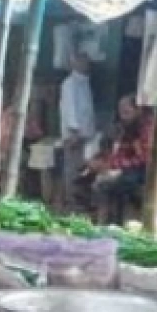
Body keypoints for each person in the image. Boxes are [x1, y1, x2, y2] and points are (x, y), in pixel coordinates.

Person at [92, 96, 154, 225]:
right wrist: (106, 163)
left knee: (109, 184)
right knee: (96, 180)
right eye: (121, 113)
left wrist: (114, 165)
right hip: (128, 169)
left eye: (127, 113)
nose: (123, 117)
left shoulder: (146, 128)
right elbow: (119, 152)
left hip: (145, 170)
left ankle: (113, 222)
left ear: (138, 111)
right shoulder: (124, 127)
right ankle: (106, 221)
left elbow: (144, 158)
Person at [59, 52, 98, 213]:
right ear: (74, 63)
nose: (86, 64)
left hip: (86, 134)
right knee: (73, 169)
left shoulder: (85, 82)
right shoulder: (69, 83)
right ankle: (71, 203)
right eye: (82, 61)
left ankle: (81, 202)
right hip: (75, 134)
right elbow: (70, 109)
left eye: (87, 61)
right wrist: (74, 131)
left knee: (83, 169)